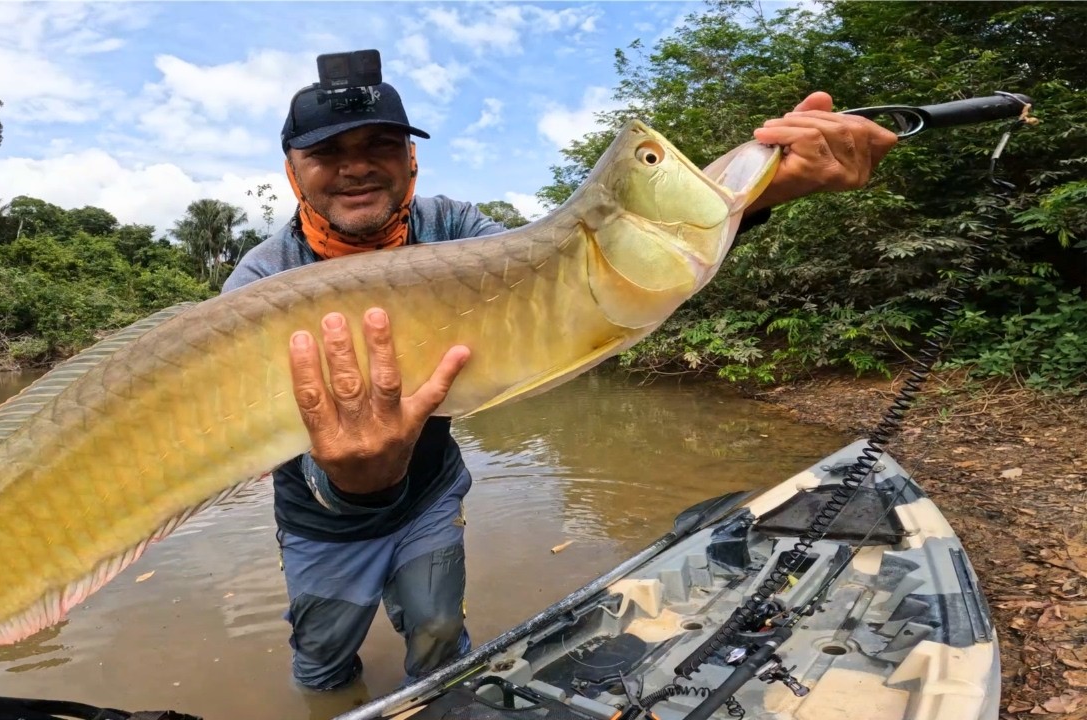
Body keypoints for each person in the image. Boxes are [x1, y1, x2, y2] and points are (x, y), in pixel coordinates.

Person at [222, 64, 898, 693]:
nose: (357, 168)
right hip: (321, 521)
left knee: (436, 633)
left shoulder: (454, 228)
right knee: (322, 655)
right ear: (292, 171)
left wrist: (753, 190)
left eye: (380, 145)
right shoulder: (260, 280)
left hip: (427, 494)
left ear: (411, 158)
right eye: (327, 153)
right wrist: (352, 482)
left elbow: (560, 276)